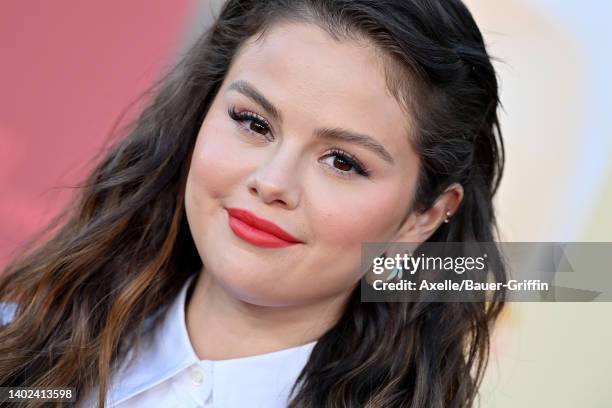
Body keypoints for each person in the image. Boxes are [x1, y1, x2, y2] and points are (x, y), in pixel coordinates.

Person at [0, 0, 507, 407]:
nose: (272, 182)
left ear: (423, 216)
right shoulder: (17, 341)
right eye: (253, 123)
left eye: (343, 162)